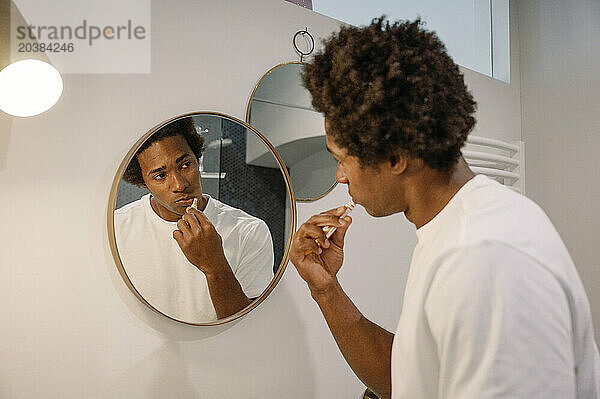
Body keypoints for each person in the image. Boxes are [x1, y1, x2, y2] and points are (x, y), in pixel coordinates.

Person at [290, 17, 600, 399]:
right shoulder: (453, 232)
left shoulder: (485, 258)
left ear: (394, 156)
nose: (339, 177)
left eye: (341, 158)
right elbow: (409, 379)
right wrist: (326, 290)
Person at [115, 117, 273, 322]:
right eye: (160, 176)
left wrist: (214, 266)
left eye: (185, 165)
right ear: (143, 183)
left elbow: (250, 329)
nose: (180, 184)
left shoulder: (249, 232)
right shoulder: (116, 229)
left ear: (198, 159)